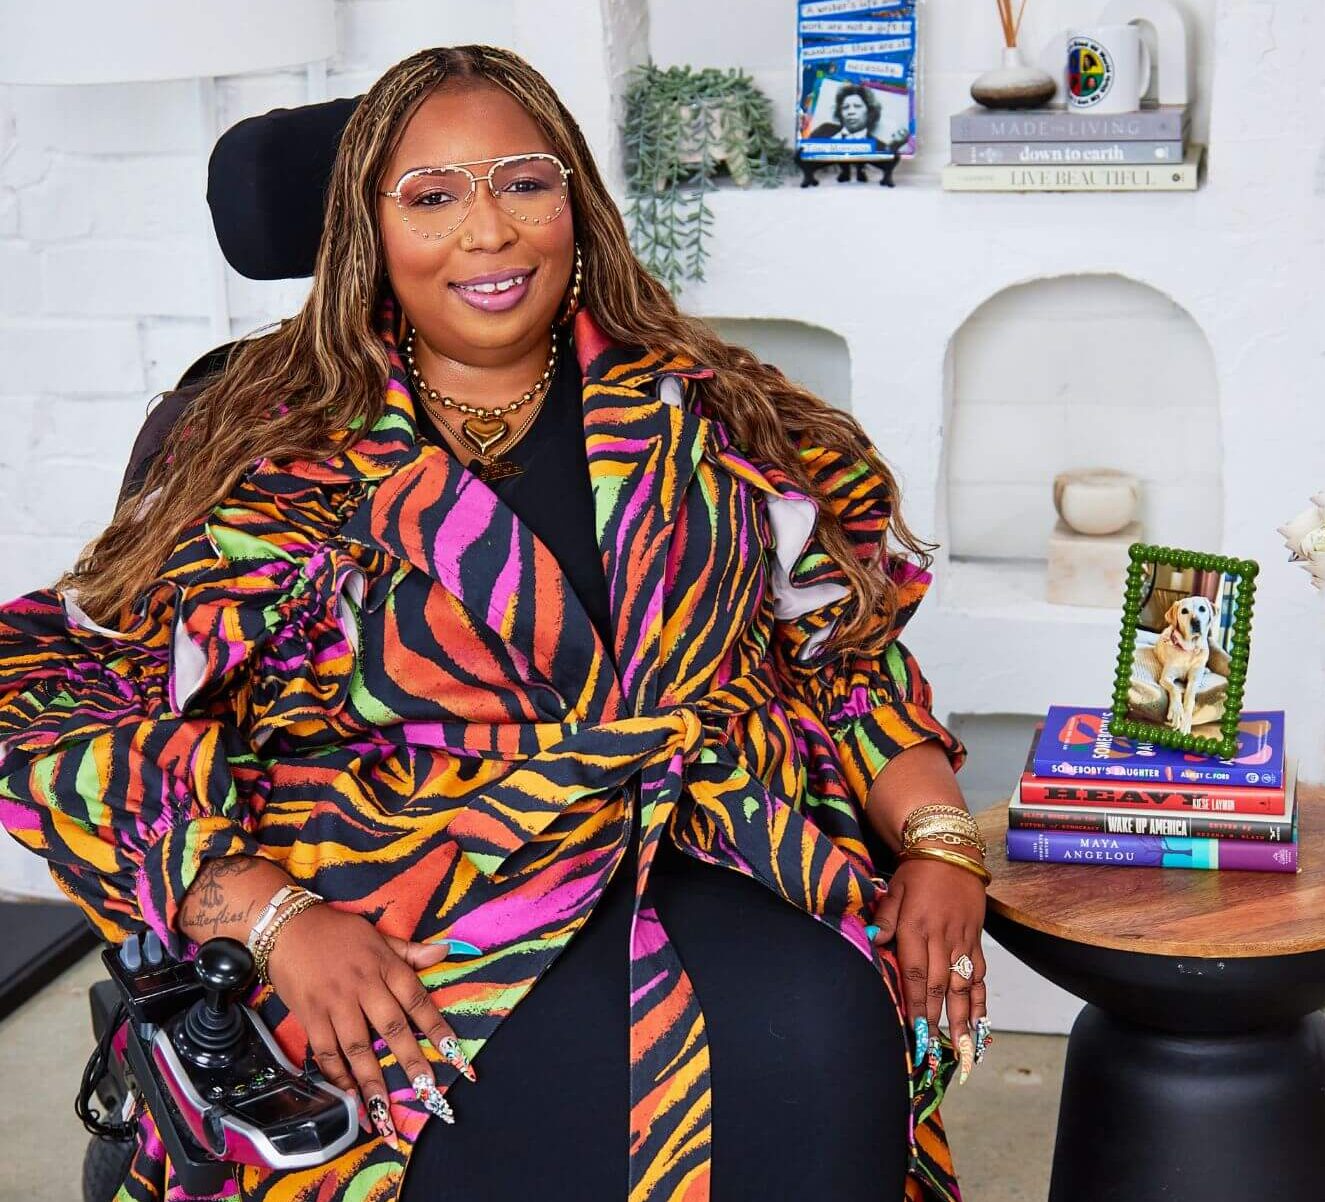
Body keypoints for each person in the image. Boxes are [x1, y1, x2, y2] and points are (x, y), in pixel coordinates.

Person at [0, 44, 990, 1202]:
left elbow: (844, 663)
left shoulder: (722, 420)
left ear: (574, 196)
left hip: (708, 839)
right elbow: (61, 689)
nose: (488, 231)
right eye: (432, 196)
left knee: (826, 1028)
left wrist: (939, 843)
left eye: (522, 180)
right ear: (370, 230)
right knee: (453, 1078)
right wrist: (271, 917)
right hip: (396, 886)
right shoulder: (275, 453)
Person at [810, 81, 909, 149]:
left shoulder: (880, 147)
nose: (850, 112)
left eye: (857, 106)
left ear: (869, 111)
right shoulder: (824, 130)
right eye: (845, 107)